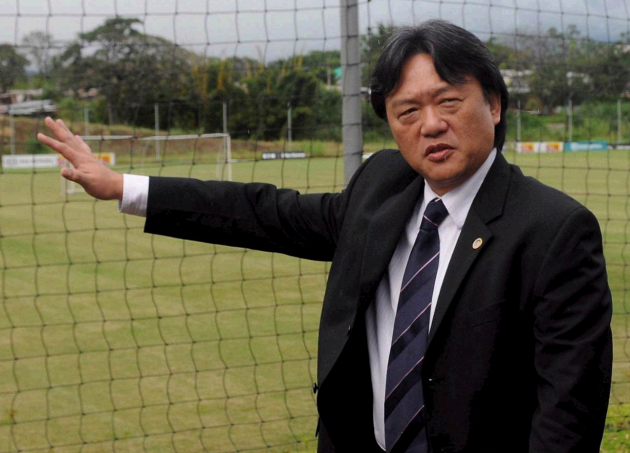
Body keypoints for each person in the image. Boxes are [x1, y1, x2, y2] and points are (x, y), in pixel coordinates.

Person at [38, 19, 612, 453]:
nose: (431, 124)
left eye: (448, 101)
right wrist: (123, 186)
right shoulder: (383, 187)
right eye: (407, 111)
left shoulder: (554, 229)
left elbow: (568, 413)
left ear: (494, 104)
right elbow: (265, 212)